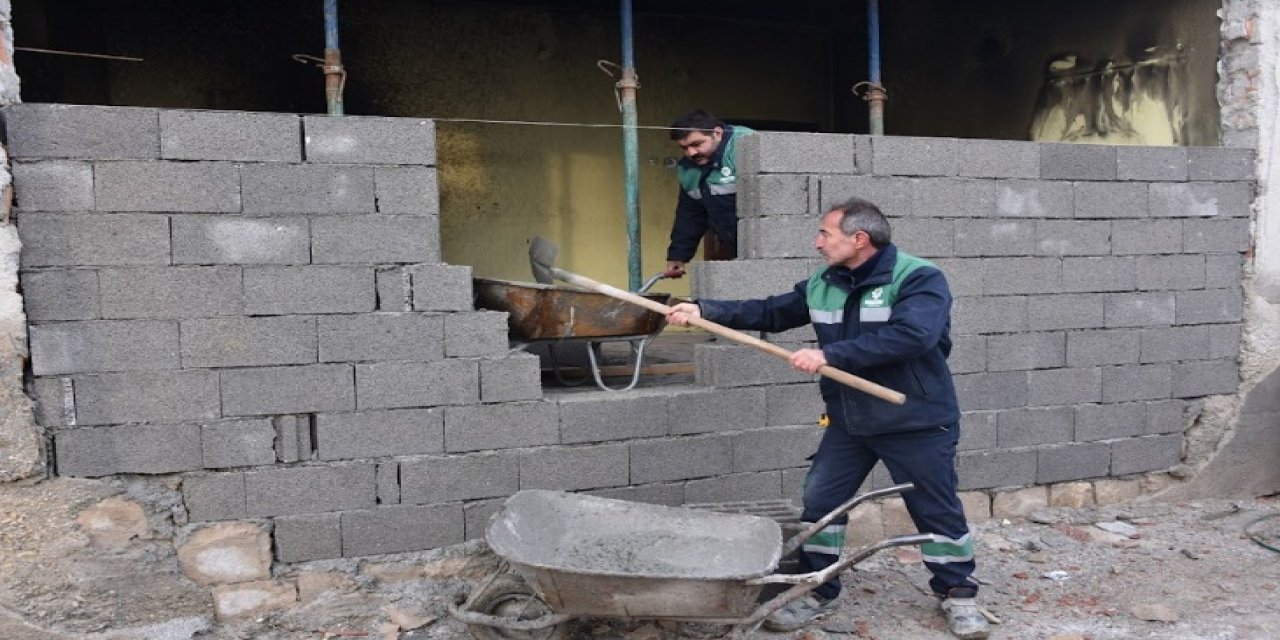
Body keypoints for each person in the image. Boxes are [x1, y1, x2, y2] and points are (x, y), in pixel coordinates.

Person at [665, 198, 989, 639]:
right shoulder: (824, 281)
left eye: (824, 234)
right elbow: (773, 311)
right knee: (820, 505)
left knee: (934, 508)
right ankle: (818, 589)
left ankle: (958, 592)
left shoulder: (919, 278)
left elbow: (913, 336)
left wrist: (830, 354)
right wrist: (705, 311)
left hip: (913, 417)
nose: (817, 243)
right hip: (849, 420)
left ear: (859, 239)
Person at [664, 109, 755, 275]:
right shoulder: (688, 169)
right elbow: (690, 215)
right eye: (684, 148)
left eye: (697, 144)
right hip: (736, 246)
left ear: (718, 133)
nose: (691, 153)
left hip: (774, 244)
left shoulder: (749, 146)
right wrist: (678, 255)